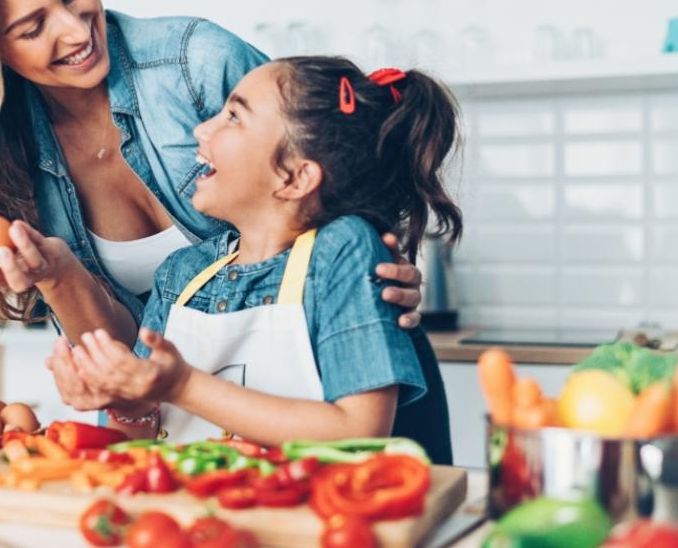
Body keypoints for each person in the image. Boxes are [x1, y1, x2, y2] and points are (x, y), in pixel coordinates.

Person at [46, 57, 462, 463]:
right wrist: (124, 399)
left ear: (295, 178)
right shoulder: (182, 273)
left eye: (233, 117)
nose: (201, 129)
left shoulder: (341, 250)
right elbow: (137, 440)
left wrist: (183, 385)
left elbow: (359, 434)